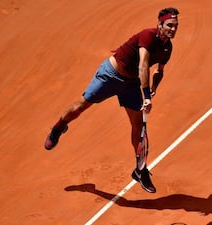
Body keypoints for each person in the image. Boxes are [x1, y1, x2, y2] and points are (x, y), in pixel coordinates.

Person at [44, 7, 180, 193]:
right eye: (170, 25)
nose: (173, 29)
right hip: (111, 75)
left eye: (176, 26)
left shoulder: (167, 48)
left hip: (132, 85)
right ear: (160, 24)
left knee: (138, 126)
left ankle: (140, 170)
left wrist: (154, 88)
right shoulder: (147, 35)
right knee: (80, 107)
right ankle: (58, 127)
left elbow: (159, 71)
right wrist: (146, 96)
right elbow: (143, 66)